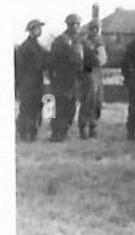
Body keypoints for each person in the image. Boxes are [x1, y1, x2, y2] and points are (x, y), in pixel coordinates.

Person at [47, 13, 84, 142]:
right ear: (68, 25)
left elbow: (82, 61)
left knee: (70, 107)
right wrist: (53, 76)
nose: (76, 27)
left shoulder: (79, 41)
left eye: (78, 24)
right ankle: (57, 133)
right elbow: (52, 60)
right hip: (62, 78)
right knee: (59, 106)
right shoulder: (61, 40)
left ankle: (63, 131)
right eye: (73, 24)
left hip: (74, 79)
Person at [14, 19, 46, 142]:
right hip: (27, 82)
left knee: (37, 106)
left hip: (36, 81)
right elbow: (37, 63)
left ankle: (32, 132)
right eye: (37, 28)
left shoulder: (37, 45)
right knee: (27, 107)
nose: (40, 30)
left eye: (40, 28)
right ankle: (24, 132)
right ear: (31, 30)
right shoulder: (26, 47)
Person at [77, 17, 107, 139]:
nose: (95, 31)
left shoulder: (100, 42)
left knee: (97, 102)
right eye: (92, 28)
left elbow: (103, 60)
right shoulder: (83, 42)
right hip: (88, 71)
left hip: (98, 72)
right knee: (87, 101)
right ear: (88, 29)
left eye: (97, 28)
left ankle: (93, 126)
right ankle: (83, 127)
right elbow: (80, 59)